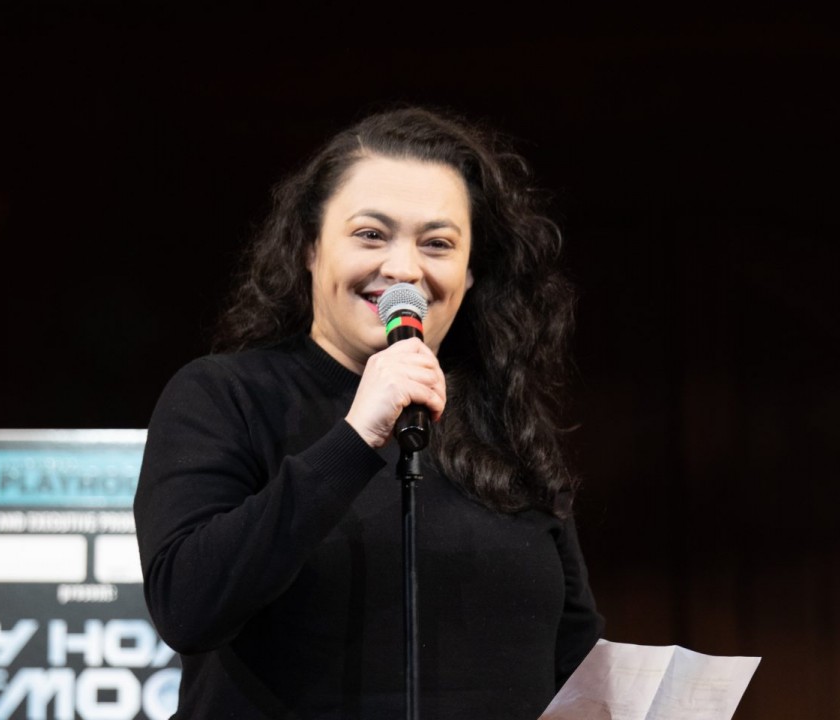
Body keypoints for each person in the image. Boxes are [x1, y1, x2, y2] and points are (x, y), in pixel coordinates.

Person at [134, 106, 604, 719]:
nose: (404, 269)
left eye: (437, 243)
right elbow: (188, 604)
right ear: (309, 247)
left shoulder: (501, 420)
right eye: (371, 235)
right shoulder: (226, 396)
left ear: (469, 270)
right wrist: (356, 438)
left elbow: (574, 651)